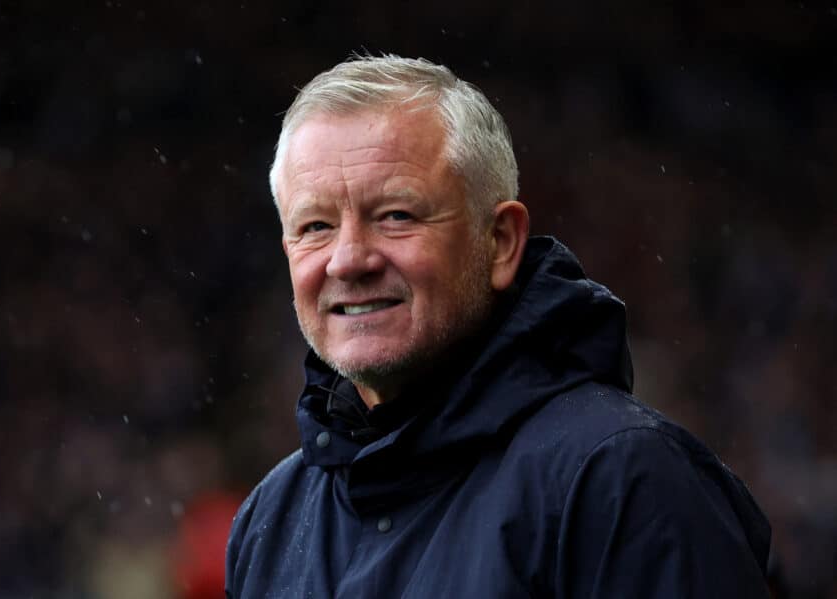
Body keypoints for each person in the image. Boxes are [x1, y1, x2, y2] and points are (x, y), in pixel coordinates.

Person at [225, 55, 771, 598]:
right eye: (315, 226)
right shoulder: (269, 520)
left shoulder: (623, 481)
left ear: (501, 242)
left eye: (396, 215)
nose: (347, 260)